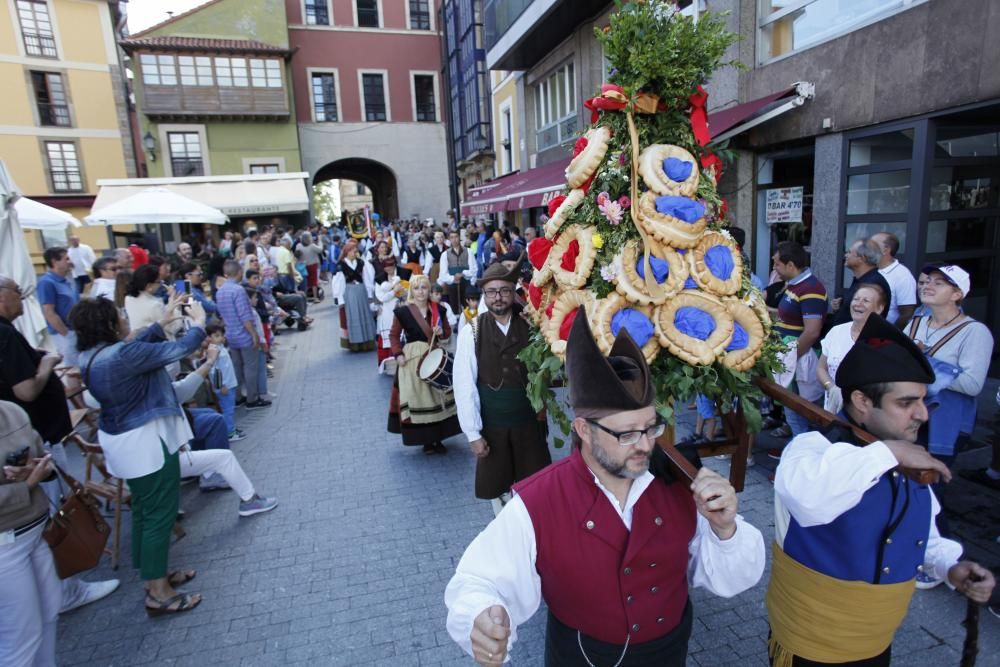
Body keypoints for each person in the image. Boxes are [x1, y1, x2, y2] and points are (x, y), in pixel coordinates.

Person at [445, 311, 765, 666]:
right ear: (584, 430)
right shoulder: (538, 500)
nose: (644, 445)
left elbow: (730, 578)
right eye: (626, 434)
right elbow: (476, 579)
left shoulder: (680, 484)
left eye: (651, 428)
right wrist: (481, 613)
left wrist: (726, 530)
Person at [766, 313, 994, 667]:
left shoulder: (907, 459)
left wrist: (951, 567)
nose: (922, 414)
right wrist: (887, 453)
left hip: (876, 643)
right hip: (811, 647)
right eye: (906, 403)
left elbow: (923, 535)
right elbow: (810, 500)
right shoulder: (812, 450)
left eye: (922, 401)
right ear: (861, 401)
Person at [71, 296, 208, 616]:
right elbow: (179, 349)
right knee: (161, 513)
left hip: (121, 442)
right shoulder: (124, 355)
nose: (124, 318)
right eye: (118, 315)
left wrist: (161, 324)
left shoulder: (89, 355)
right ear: (107, 325)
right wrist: (198, 323)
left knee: (146, 510)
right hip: (147, 441)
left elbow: (130, 347)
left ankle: (153, 574)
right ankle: (158, 593)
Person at [0, 276, 120, 615]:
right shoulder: (5, 335)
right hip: (33, 442)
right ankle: (67, 591)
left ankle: (54, 590)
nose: (23, 301)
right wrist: (47, 364)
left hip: (31, 439)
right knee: (53, 513)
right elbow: (25, 390)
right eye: (17, 294)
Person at [906, 265, 993, 580]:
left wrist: (924, 360)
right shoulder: (917, 321)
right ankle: (912, 549)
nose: (928, 285)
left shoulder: (975, 332)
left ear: (958, 295)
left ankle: (940, 565)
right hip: (910, 415)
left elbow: (972, 385)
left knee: (931, 492)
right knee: (908, 484)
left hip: (945, 425)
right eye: (927, 280)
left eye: (940, 283)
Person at [453, 258, 551, 507]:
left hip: (528, 424)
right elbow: (464, 387)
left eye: (504, 291)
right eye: (491, 292)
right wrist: (473, 434)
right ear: (484, 295)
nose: (498, 297)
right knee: (499, 494)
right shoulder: (472, 332)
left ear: (512, 292)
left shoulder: (531, 325)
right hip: (493, 427)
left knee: (535, 490)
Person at [0, 401, 59, 666]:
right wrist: (28, 484)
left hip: (33, 530)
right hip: (5, 544)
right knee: (21, 637)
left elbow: (44, 457)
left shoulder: (11, 410)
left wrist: (38, 468)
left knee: (49, 613)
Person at [387, 275, 461, 454]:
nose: (421, 292)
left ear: (429, 290)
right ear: (411, 290)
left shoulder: (439, 310)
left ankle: (439, 438)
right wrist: (398, 354)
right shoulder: (402, 312)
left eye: (424, 288)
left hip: (434, 355)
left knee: (437, 396)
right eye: (417, 288)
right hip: (412, 359)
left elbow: (447, 334)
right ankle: (426, 441)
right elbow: (394, 335)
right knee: (419, 398)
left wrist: (442, 331)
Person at [769, 241, 828, 443]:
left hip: (799, 359)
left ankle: (802, 456)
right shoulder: (796, 286)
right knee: (792, 410)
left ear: (791, 265)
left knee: (799, 411)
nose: (774, 269)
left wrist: (790, 359)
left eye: (777, 264)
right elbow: (788, 316)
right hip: (789, 355)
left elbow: (812, 331)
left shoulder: (811, 288)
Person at [816, 284, 887, 414]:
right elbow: (821, 367)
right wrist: (831, 387)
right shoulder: (836, 331)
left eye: (866, 301)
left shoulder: (885, 339)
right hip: (832, 410)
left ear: (879, 308)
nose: (858, 304)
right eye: (856, 299)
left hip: (865, 416)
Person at [216, 260, 270, 409]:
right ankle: (252, 399)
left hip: (230, 334)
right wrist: (254, 334)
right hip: (244, 335)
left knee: (236, 368)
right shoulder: (238, 290)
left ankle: (238, 396)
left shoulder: (220, 291)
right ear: (239, 272)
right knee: (250, 368)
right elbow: (245, 316)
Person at [830, 238, 892, 326]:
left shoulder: (873, 284)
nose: (846, 255)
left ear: (861, 258)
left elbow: (866, 317)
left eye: (849, 252)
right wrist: (841, 306)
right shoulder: (861, 279)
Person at [36, 246, 80, 367]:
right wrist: (66, 334)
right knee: (72, 369)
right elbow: (49, 312)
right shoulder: (47, 282)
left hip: (75, 330)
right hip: (64, 334)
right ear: (55, 262)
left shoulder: (67, 280)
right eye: (66, 259)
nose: (70, 262)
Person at [335, 240, 377, 352]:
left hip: (361, 291)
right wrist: (340, 300)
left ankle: (367, 342)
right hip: (350, 293)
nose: (356, 253)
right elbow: (339, 283)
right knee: (353, 317)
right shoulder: (341, 265)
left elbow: (367, 279)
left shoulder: (361, 263)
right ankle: (356, 344)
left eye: (356, 251)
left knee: (364, 315)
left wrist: (369, 294)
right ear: (347, 252)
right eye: (354, 251)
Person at [870, 232, 917, 329]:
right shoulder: (870, 270)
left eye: (873, 244)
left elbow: (907, 313)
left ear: (885, 250)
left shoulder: (902, 275)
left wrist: (890, 335)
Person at [204, 324, 241, 441]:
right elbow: (213, 370)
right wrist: (222, 385)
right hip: (225, 386)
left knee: (230, 408)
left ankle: (231, 428)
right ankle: (229, 432)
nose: (220, 338)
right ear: (209, 338)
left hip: (230, 383)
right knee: (228, 410)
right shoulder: (213, 351)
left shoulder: (220, 347)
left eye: (221, 335)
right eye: (216, 336)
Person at [374, 258, 405, 369]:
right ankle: (389, 366)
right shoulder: (379, 279)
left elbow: (409, 289)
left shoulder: (404, 273)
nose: (389, 268)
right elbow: (381, 298)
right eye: (386, 265)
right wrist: (394, 291)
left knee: (403, 334)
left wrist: (401, 292)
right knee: (389, 335)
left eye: (391, 265)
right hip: (387, 311)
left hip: (402, 307)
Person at [439, 230, 477, 311]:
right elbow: (443, 274)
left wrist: (463, 274)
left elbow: (474, 269)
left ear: (459, 238)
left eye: (456, 237)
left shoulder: (468, 251)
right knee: (454, 308)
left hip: (466, 284)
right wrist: (453, 278)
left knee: (468, 307)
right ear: (449, 239)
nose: (454, 239)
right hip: (452, 285)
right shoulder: (445, 254)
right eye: (452, 237)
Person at [296, 232, 324, 302]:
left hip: (302, 266)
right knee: (314, 282)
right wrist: (320, 241)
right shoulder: (312, 245)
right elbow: (320, 250)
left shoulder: (298, 245)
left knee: (305, 282)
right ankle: (315, 297)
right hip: (312, 265)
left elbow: (297, 254)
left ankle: (305, 298)